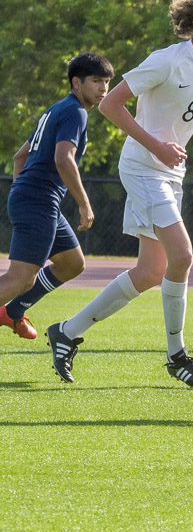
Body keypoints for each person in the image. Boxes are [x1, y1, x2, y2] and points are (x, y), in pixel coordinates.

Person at [46, 0, 193, 387]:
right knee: (182, 255)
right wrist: (157, 146)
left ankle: (67, 331)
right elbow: (111, 104)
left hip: (172, 171)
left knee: (151, 272)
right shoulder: (166, 60)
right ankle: (177, 357)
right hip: (143, 167)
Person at [0, 54, 114, 340]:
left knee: (72, 263)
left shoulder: (57, 108)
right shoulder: (76, 112)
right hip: (38, 201)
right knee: (21, 279)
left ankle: (11, 313)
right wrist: (84, 204)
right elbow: (64, 159)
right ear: (77, 82)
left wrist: (21, 190)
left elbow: (19, 157)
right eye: (96, 81)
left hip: (36, 200)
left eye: (107, 82)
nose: (103, 89)